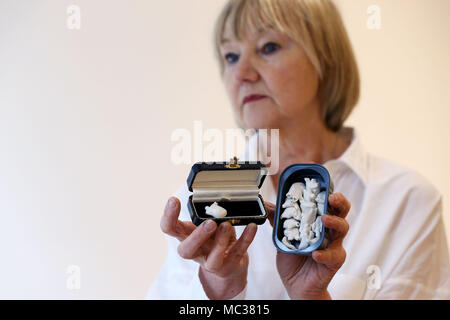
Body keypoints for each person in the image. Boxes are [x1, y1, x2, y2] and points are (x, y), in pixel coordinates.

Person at [148, 0, 450, 299]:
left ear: (325, 57)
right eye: (230, 56)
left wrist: (312, 297)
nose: (241, 73)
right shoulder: (199, 205)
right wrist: (217, 289)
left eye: (268, 47)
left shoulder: (407, 203)